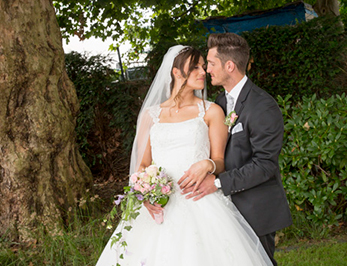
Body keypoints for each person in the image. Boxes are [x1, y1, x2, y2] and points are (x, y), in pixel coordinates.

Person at [96, 45, 273, 266]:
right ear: (176, 72)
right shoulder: (150, 116)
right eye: (195, 67)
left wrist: (206, 164)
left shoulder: (211, 111)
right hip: (161, 205)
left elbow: (220, 161)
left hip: (199, 198)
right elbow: (142, 165)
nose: (203, 72)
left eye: (203, 66)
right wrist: (145, 195)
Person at [180, 33, 292, 266]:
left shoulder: (262, 106)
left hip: (255, 208)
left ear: (229, 65)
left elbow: (265, 165)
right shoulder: (219, 103)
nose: (206, 70)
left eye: (211, 63)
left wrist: (218, 183)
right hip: (222, 210)